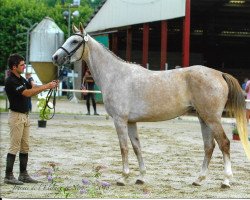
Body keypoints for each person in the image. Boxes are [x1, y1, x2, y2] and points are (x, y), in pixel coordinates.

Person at [4, 54, 59, 185]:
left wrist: (48, 85)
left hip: (25, 116)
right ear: (14, 67)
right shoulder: (11, 81)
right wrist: (46, 86)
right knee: (14, 147)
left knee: (25, 147)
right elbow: (27, 93)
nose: (24, 67)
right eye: (22, 65)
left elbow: (32, 88)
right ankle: (8, 175)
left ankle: (23, 174)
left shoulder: (21, 79)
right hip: (16, 116)